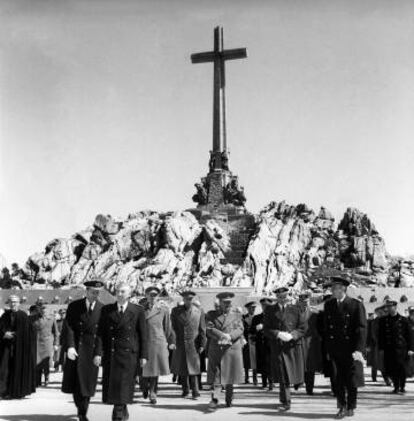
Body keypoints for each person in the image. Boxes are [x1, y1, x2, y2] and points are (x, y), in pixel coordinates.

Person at [94, 282, 148, 421]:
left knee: (124, 384)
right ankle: (121, 408)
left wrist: (144, 355)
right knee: (114, 384)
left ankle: (118, 412)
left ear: (129, 294)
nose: (119, 294)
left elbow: (143, 335)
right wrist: (98, 353)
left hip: (129, 354)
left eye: (123, 291)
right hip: (111, 354)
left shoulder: (137, 310)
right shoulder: (107, 310)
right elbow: (100, 333)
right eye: (117, 291)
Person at [322, 277, 366, 419]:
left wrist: (359, 349)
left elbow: (361, 328)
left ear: (343, 289)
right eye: (332, 289)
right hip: (335, 348)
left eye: (335, 288)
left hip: (351, 349)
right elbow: (326, 329)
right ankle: (341, 406)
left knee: (351, 380)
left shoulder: (355, 305)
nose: (333, 291)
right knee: (337, 380)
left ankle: (351, 406)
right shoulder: (329, 305)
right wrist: (328, 349)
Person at [62, 280, 104, 421]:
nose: (95, 295)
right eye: (93, 292)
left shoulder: (102, 308)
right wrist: (70, 346)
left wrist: (99, 353)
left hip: (91, 352)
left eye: (98, 293)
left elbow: (101, 335)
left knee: (88, 384)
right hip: (77, 350)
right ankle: (81, 410)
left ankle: (82, 411)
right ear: (86, 291)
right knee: (76, 384)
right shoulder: (74, 306)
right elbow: (68, 328)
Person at [263, 286, 305, 412]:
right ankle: (286, 401)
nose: (282, 299)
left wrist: (293, 335)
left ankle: (287, 397)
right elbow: (266, 329)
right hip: (278, 346)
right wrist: (278, 334)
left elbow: (302, 327)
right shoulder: (270, 310)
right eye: (280, 297)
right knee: (283, 374)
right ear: (276, 298)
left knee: (291, 374)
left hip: (292, 346)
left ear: (288, 296)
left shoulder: (296, 309)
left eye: (284, 297)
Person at [206, 291, 244, 410]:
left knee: (229, 377)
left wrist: (230, 336)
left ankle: (229, 398)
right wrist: (222, 335)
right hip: (217, 348)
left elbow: (240, 329)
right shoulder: (211, 314)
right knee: (216, 376)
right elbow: (209, 328)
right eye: (225, 303)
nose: (228, 305)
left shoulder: (236, 315)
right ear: (220, 303)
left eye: (229, 303)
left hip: (230, 349)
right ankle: (215, 399)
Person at [140, 286, 175, 404]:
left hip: (157, 341)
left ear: (158, 296)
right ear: (146, 295)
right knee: (143, 368)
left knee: (155, 369)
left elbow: (167, 328)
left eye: (155, 294)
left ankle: (153, 392)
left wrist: (165, 340)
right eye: (150, 294)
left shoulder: (163, 310)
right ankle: (144, 386)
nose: (153, 296)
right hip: (144, 341)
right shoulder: (140, 309)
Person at [171, 290, 206, 399]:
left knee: (194, 368)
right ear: (183, 299)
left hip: (193, 343)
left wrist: (202, 344)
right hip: (180, 343)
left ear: (193, 299)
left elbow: (202, 329)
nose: (188, 301)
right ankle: (185, 390)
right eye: (186, 299)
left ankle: (195, 391)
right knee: (182, 368)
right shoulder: (176, 311)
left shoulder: (199, 311)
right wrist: (172, 342)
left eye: (190, 299)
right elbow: (172, 328)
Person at [0, 295, 37, 399]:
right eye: (11, 302)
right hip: (6, 346)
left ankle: (17, 392)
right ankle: (4, 391)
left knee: (18, 367)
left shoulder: (23, 316)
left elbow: (25, 332)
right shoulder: (4, 316)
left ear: (19, 303)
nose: (13, 304)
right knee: (5, 368)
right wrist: (4, 334)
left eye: (15, 302)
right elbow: (1, 328)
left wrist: (14, 335)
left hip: (20, 347)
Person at [378, 300, 414, 394]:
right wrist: (381, 348)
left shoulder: (403, 320)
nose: (389, 309)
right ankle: (396, 386)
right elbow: (381, 335)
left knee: (401, 368)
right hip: (389, 348)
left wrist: (411, 348)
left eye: (391, 307)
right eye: (388, 307)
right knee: (391, 368)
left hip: (401, 348)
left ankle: (401, 386)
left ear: (395, 307)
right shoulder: (383, 320)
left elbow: (409, 336)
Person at [297, 291, 323, 395]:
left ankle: (310, 388)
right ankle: (298, 382)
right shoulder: (295, 313)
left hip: (311, 343)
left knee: (310, 366)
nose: (305, 303)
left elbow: (320, 327)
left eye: (306, 301)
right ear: (299, 302)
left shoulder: (315, 313)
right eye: (302, 301)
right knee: (299, 364)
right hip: (299, 341)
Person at [32, 303, 59, 387]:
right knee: (37, 361)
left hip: (47, 342)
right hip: (37, 342)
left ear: (48, 310)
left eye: (45, 308)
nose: (43, 310)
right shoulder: (34, 318)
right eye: (42, 308)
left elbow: (56, 333)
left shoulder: (51, 318)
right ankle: (37, 380)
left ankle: (47, 378)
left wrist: (56, 344)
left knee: (46, 362)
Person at [250, 297, 274, 390]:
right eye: (263, 305)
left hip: (271, 343)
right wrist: (256, 328)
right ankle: (264, 382)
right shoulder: (257, 318)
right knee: (262, 363)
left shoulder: (274, 316)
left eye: (267, 306)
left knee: (270, 363)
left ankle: (271, 382)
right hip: (260, 343)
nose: (265, 307)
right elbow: (251, 330)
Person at [366, 305, 390, 385]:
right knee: (378, 363)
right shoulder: (374, 322)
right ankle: (385, 379)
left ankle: (389, 378)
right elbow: (371, 334)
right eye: (379, 313)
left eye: (381, 312)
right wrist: (368, 345)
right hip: (377, 345)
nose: (380, 314)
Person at [242, 301, 258, 385]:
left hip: (254, 341)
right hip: (246, 340)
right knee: (246, 359)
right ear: (248, 309)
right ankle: (246, 377)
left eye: (254, 308)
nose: (253, 309)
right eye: (251, 308)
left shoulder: (257, 317)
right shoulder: (243, 317)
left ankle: (255, 378)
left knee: (255, 359)